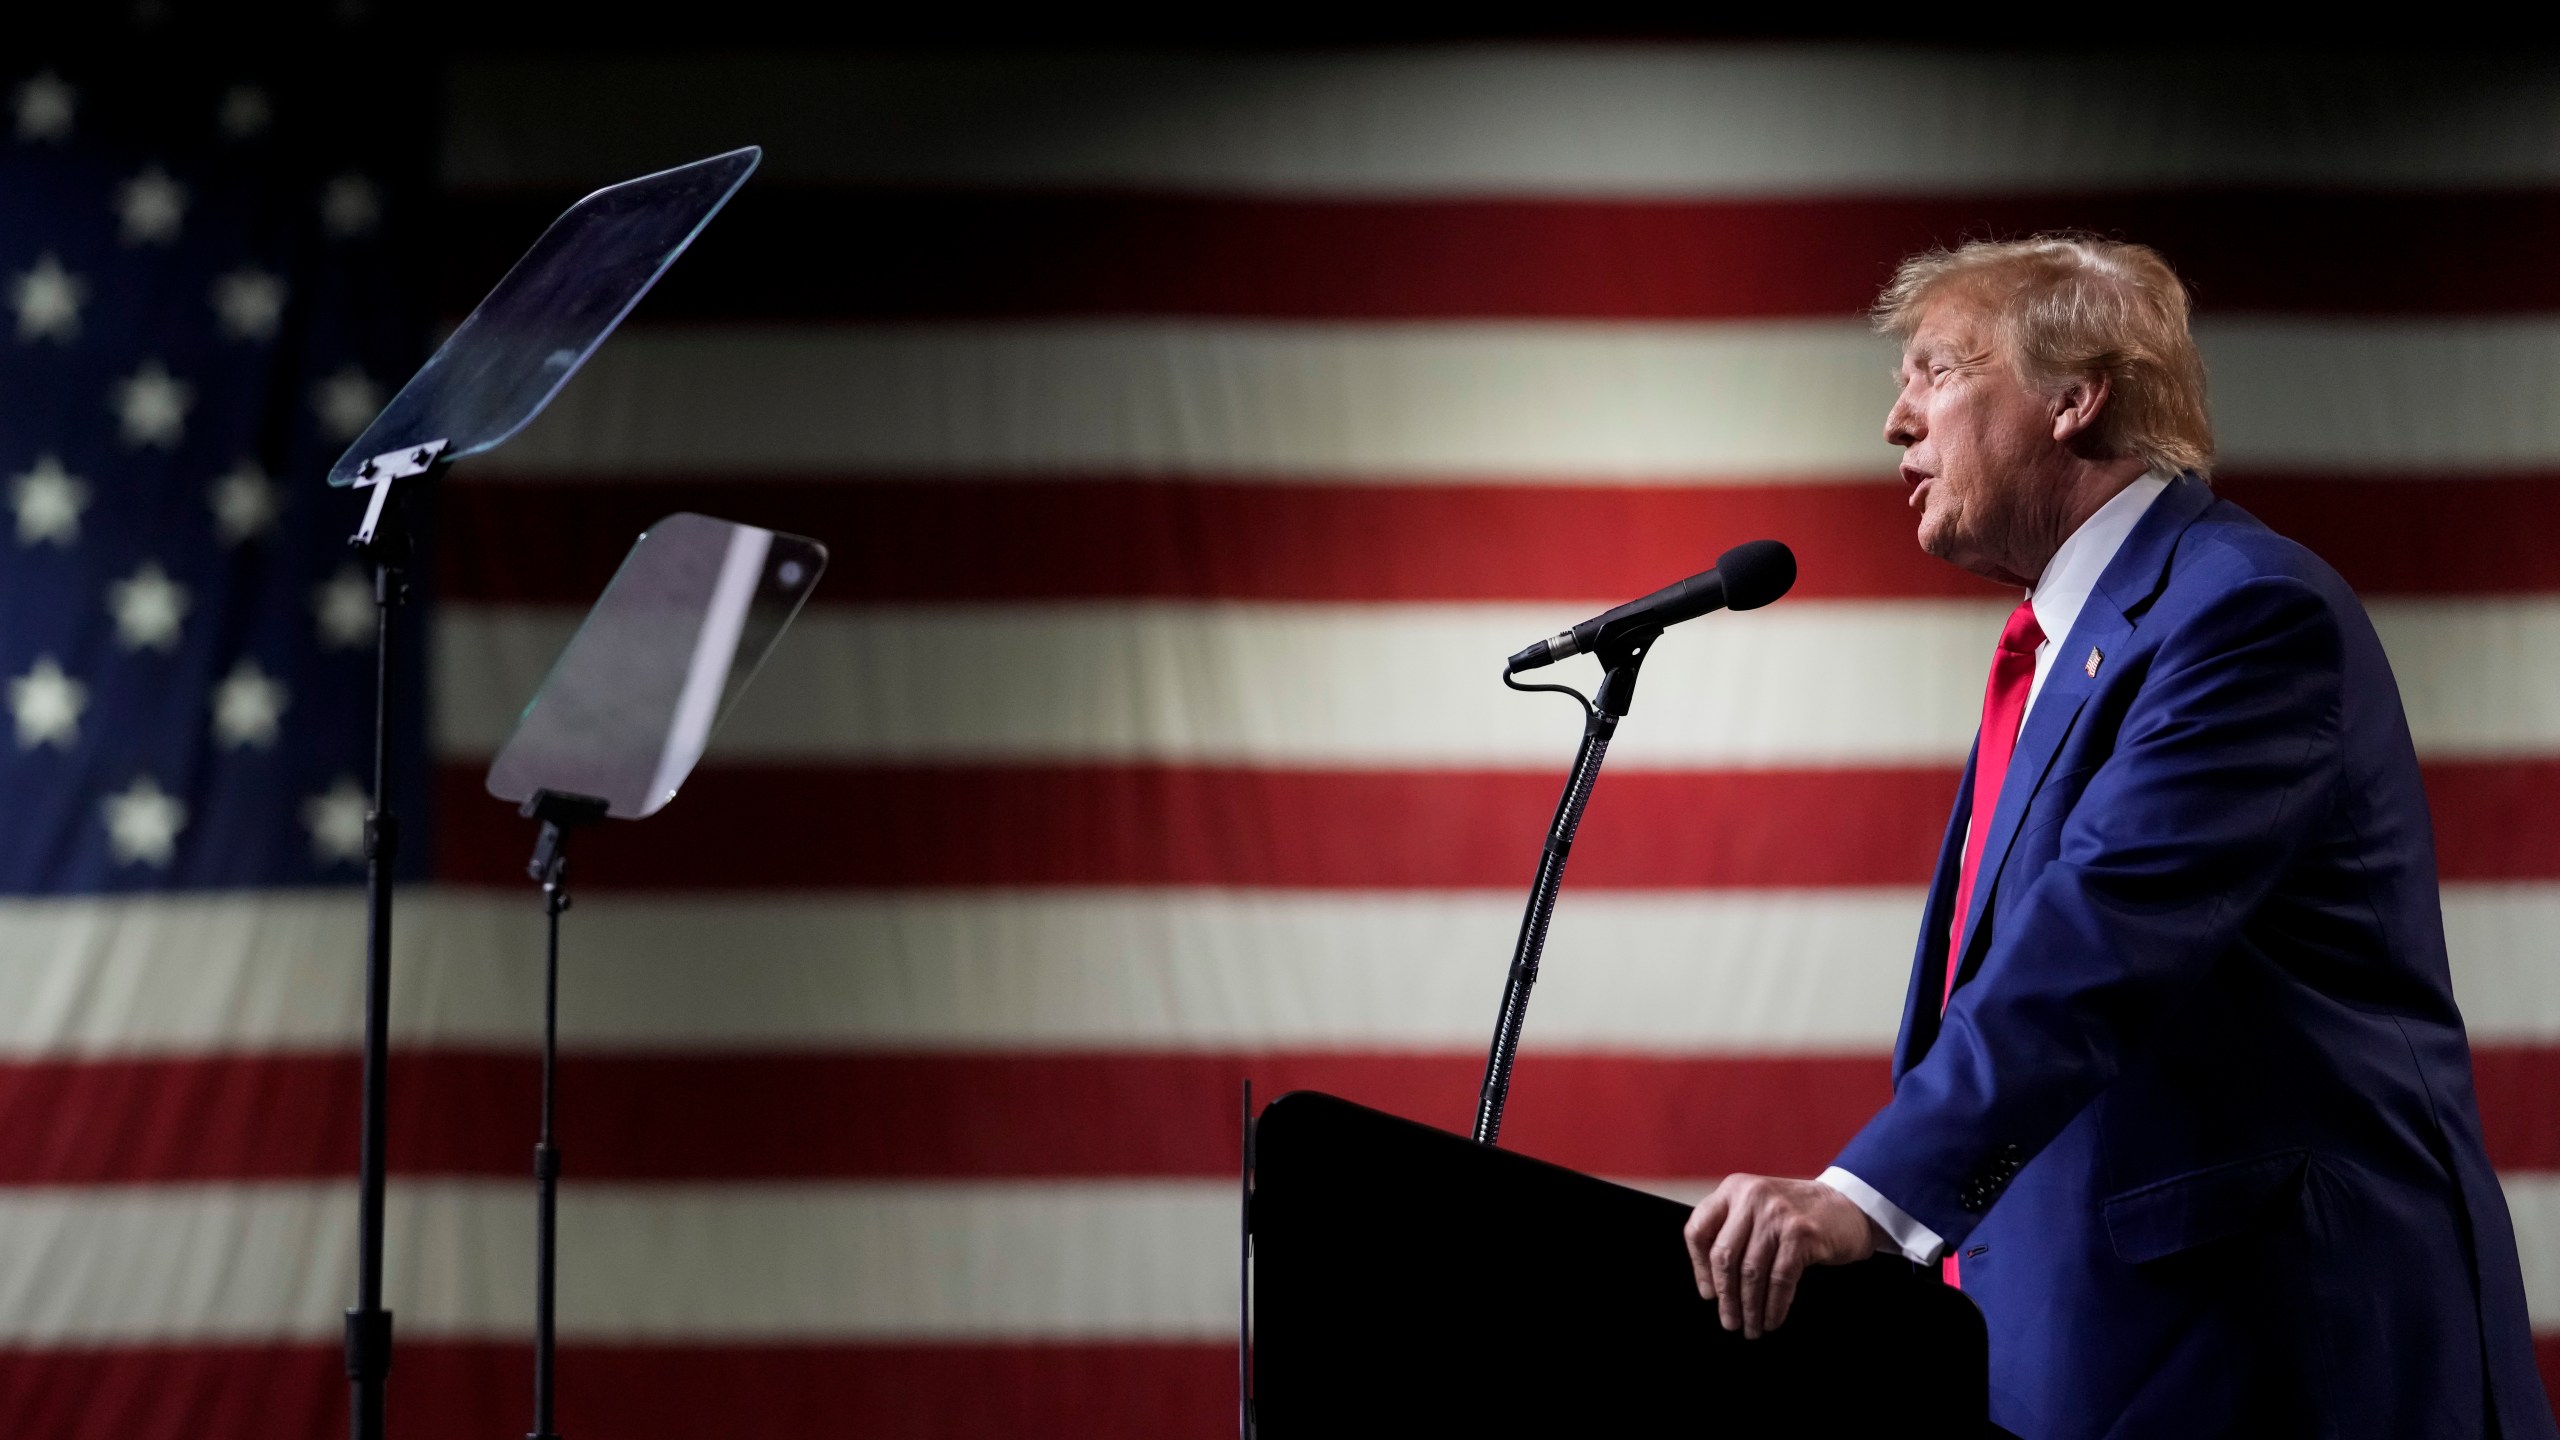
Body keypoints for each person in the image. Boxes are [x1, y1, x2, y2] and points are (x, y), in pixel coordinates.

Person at [1681, 236, 2553, 1437]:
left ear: (2073, 398)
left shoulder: (2243, 612)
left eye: (1936, 371)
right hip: (2093, 1353)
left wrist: (1867, 1195)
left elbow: (2097, 934)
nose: (1896, 419)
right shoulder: (2068, 646)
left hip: (2275, 1356)